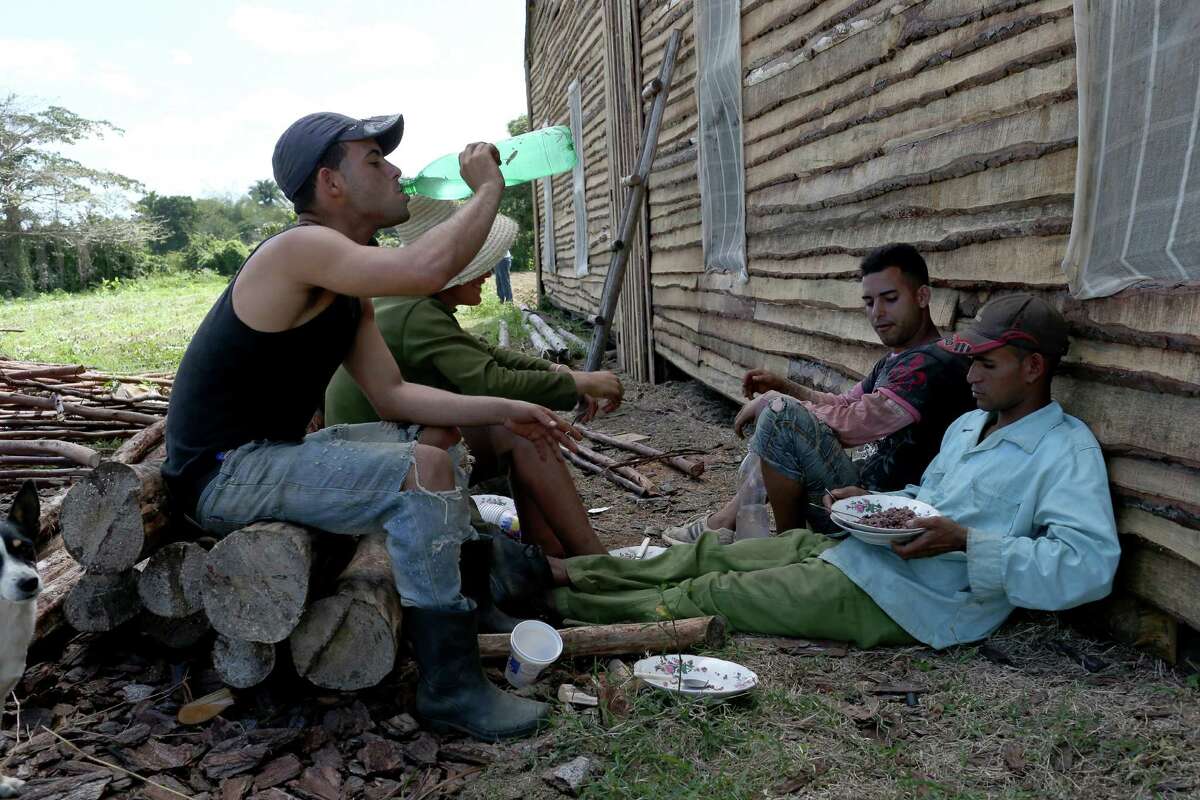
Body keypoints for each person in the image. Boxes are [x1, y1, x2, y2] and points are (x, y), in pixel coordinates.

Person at [162, 111, 579, 742]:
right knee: (422, 469)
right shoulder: (299, 249)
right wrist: (488, 188)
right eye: (375, 161)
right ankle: (451, 686)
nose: (397, 171)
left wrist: (502, 408)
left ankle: (478, 596)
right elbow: (423, 272)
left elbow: (394, 395)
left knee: (437, 442)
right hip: (223, 474)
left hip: (273, 453)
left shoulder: (346, 277)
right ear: (330, 183)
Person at [539, 295, 1121, 650]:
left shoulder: (1066, 453)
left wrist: (968, 542)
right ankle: (566, 573)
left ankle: (560, 610)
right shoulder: (970, 427)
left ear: (1034, 367)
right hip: (860, 553)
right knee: (712, 555)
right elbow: (927, 497)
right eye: (969, 362)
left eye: (986, 364)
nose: (970, 376)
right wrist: (870, 501)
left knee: (714, 594)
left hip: (920, 600)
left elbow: (1089, 568)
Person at [324, 196, 623, 557]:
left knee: (516, 424)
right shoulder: (417, 313)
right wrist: (575, 384)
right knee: (524, 432)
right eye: (478, 262)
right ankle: (589, 556)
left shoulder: (408, 300)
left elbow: (486, 354)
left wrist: (559, 371)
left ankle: (548, 550)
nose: (486, 272)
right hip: (380, 467)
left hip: (386, 446)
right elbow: (491, 380)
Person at [664, 243, 975, 545]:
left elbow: (853, 423)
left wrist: (775, 402)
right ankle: (769, 536)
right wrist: (783, 388)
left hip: (890, 513)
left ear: (922, 296)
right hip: (855, 496)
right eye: (869, 302)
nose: (877, 313)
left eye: (890, 299)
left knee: (781, 417)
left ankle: (785, 545)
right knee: (783, 414)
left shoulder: (931, 364)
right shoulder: (899, 359)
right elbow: (843, 403)